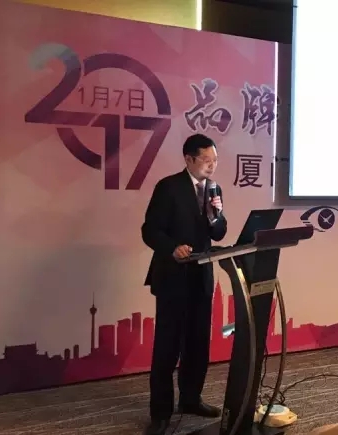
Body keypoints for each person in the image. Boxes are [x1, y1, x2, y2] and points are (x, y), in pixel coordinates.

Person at [141, 134, 227, 435]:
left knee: (198, 343)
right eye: (206, 160)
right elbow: (150, 230)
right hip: (172, 277)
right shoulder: (168, 187)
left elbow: (219, 233)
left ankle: (191, 399)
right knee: (168, 347)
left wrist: (215, 216)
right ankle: (161, 413)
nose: (212, 166)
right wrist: (172, 248)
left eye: (215, 161)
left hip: (201, 277)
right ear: (189, 159)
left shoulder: (214, 190)